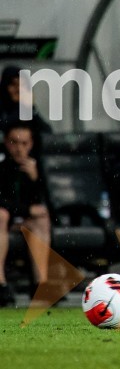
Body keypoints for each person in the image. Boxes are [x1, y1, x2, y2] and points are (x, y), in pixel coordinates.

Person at [0, 122, 50, 306]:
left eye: (24, 143)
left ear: (31, 144)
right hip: (5, 221)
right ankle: (1, 284)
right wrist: (26, 210)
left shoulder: (37, 167)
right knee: (1, 215)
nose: (19, 149)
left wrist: (36, 179)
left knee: (42, 220)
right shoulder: (2, 167)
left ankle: (41, 286)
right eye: (14, 142)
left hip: (24, 223)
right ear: (6, 143)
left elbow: (47, 205)